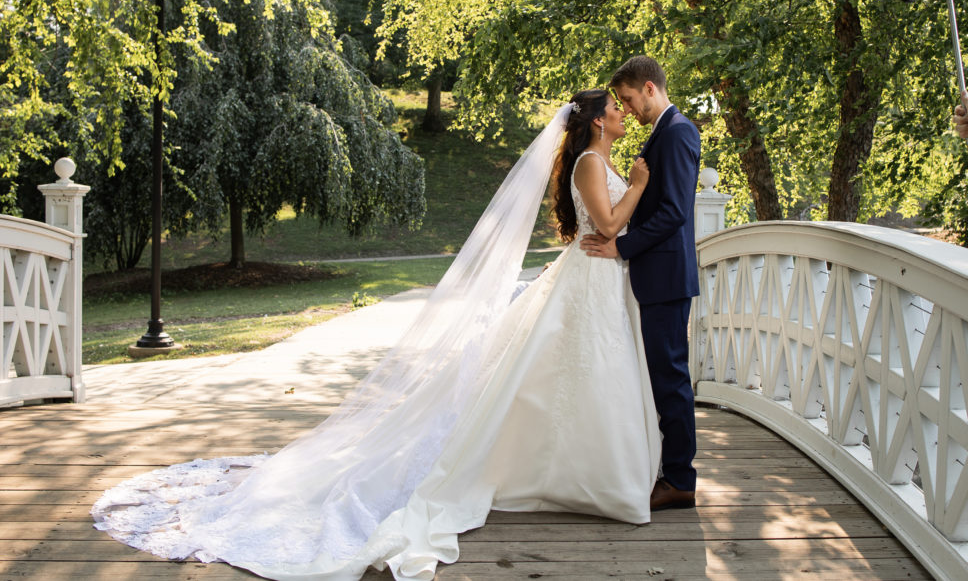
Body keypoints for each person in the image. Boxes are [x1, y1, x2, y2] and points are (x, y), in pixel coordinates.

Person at [92, 89, 660, 581]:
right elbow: (608, 225)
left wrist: (632, 191)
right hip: (588, 280)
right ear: (594, 121)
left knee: (581, 378)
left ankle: (582, 473)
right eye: (614, 108)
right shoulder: (591, 161)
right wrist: (636, 187)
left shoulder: (598, 158)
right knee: (569, 372)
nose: (621, 113)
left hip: (601, 284)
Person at [580, 55, 701, 511]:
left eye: (629, 99)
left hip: (666, 276)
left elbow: (673, 212)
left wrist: (621, 248)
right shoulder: (662, 133)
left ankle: (679, 480)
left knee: (670, 379)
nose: (626, 109)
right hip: (657, 277)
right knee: (661, 378)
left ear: (649, 88)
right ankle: (668, 469)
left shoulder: (678, 132)